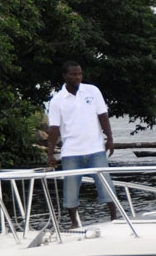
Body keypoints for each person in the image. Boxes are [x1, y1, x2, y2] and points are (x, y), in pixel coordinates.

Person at [46, 61, 118, 227]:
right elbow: (54, 128)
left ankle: (114, 218)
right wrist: (50, 154)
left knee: (106, 184)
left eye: (80, 74)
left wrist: (110, 138)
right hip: (71, 151)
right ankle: (74, 223)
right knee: (70, 190)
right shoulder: (57, 100)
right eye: (74, 74)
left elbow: (103, 115)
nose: (78, 77)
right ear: (65, 76)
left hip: (95, 148)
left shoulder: (92, 91)